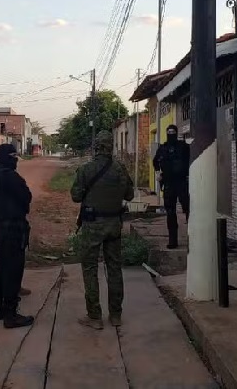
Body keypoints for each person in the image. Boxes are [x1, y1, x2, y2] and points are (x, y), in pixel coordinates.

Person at [71, 130, 134, 330]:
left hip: (92, 226)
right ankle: (116, 315)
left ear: (96, 147)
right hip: (114, 224)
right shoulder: (120, 169)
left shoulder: (86, 169)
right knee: (114, 268)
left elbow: (75, 196)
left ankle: (95, 317)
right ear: (111, 147)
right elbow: (130, 195)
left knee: (90, 268)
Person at [0, 143, 34, 329]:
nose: (16, 161)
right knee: (13, 269)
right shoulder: (10, 176)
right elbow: (26, 197)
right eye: (14, 157)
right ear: (9, 158)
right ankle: (11, 315)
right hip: (13, 228)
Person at [152, 124, 190, 249]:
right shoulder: (163, 148)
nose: (171, 134)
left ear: (176, 133)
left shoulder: (183, 147)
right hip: (168, 183)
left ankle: (193, 238)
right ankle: (172, 241)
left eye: (173, 132)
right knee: (170, 212)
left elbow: (191, 159)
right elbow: (155, 162)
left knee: (188, 209)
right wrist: (158, 173)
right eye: (169, 132)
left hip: (182, 182)